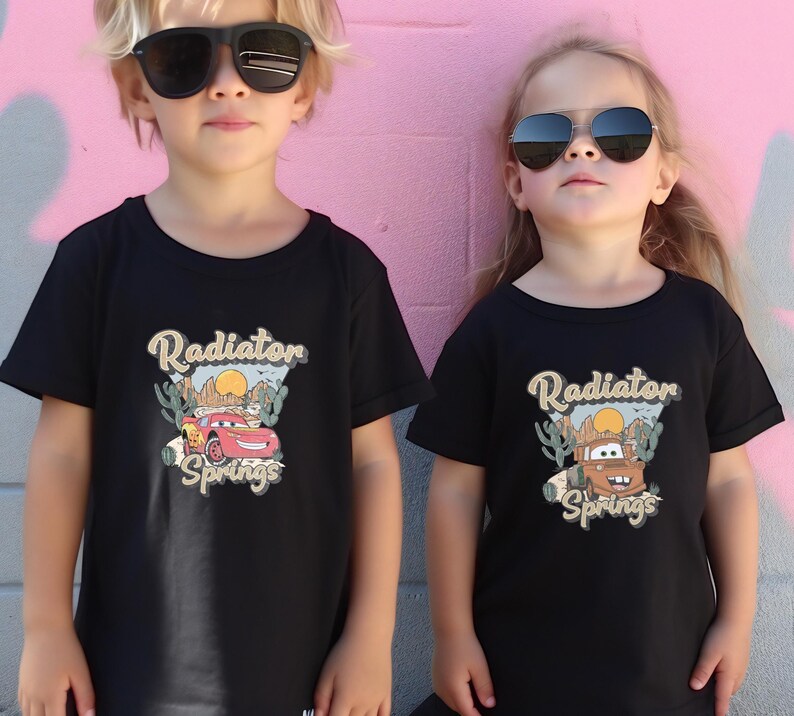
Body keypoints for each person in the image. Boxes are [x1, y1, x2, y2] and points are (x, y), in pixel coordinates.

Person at [1, 1, 434, 714]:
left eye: (265, 54)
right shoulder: (96, 263)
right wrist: (45, 628)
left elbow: (374, 465)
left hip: (301, 672)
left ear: (303, 87)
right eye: (184, 57)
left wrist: (370, 636)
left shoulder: (345, 276)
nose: (228, 83)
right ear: (138, 87)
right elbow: (62, 455)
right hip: (132, 671)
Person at [406, 30, 785, 716]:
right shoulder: (492, 332)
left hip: (667, 676)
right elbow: (456, 492)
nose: (582, 149)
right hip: (515, 675)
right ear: (517, 182)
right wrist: (452, 633)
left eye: (619, 132)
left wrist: (738, 618)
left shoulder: (701, 321)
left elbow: (728, 479)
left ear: (663, 175)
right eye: (546, 137)